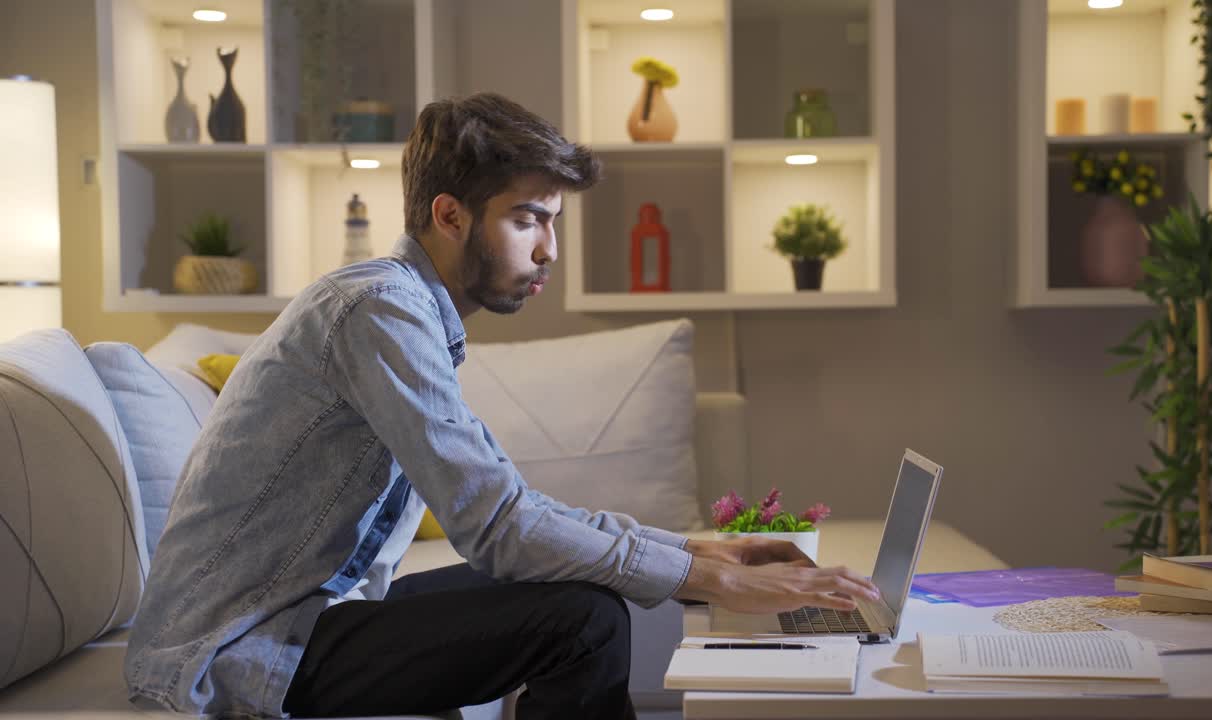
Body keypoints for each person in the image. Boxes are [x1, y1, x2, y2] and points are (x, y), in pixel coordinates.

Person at [124, 92, 880, 720]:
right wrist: (715, 580)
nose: (550, 249)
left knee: (580, 588)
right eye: (528, 220)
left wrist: (697, 553)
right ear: (450, 216)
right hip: (237, 648)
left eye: (554, 220)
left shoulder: (404, 309)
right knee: (582, 621)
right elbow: (499, 530)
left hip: (303, 617)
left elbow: (511, 505)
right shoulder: (378, 312)